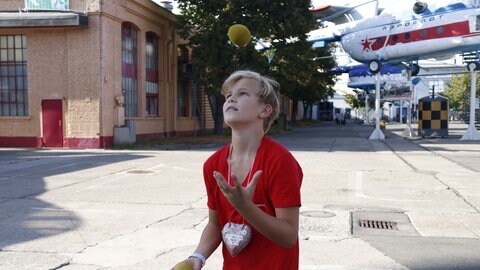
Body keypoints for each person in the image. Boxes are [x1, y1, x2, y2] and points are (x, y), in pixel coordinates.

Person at [172, 70, 303, 269]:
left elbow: (288, 236)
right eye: (228, 95)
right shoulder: (213, 165)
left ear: (265, 111)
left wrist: (246, 208)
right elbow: (215, 224)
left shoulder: (280, 162)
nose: (231, 98)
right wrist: (198, 255)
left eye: (243, 93)